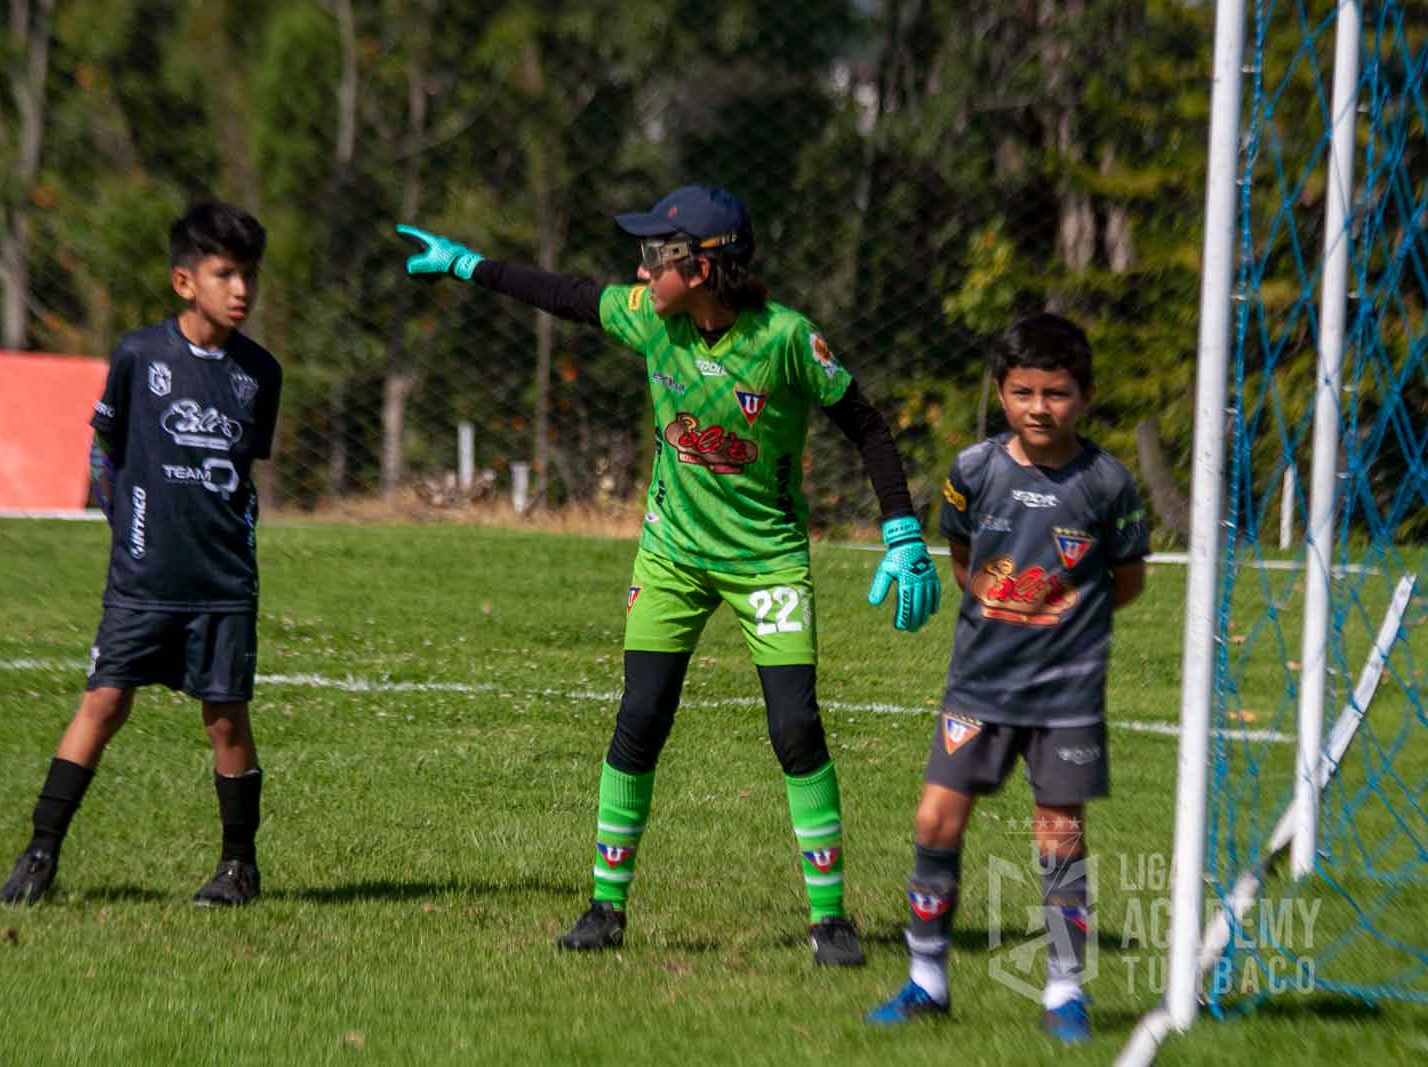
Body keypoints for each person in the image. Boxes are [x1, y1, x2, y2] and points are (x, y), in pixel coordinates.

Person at [396, 184, 940, 965]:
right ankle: (605, 907)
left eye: (658, 254)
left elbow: (866, 425)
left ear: (706, 266)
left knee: (795, 727)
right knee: (642, 715)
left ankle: (830, 919)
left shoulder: (786, 338)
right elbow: (566, 295)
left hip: (767, 562)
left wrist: (901, 530)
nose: (641, 269)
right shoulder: (652, 318)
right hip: (672, 557)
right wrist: (466, 264)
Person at [863, 314, 1149, 1043]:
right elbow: (964, 561)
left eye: (1056, 393)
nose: (1039, 407)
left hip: (1065, 693)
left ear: (1085, 395)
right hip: (979, 685)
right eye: (1023, 392)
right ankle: (926, 982)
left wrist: (1060, 620)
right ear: (1001, 392)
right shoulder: (972, 470)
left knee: (1059, 833)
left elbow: (1127, 580)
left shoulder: (1108, 483)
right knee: (935, 819)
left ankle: (1065, 991)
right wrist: (1009, 611)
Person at [0, 201, 282, 908]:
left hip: (222, 582)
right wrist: (124, 522)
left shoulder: (260, 373)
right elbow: (105, 446)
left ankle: (238, 867)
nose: (241, 289)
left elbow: (244, 473)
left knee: (226, 716)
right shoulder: (140, 355)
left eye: (249, 275)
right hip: (143, 576)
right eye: (225, 274)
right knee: (104, 700)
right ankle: (40, 853)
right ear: (185, 281)